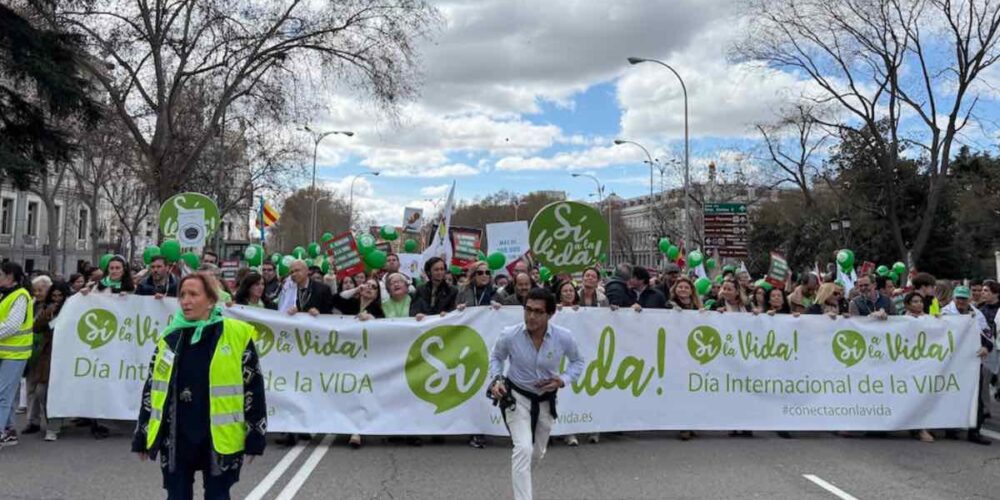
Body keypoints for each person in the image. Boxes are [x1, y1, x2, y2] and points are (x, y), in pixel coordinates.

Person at [132, 272, 266, 499]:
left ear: (211, 300)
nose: (186, 301)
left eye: (193, 294)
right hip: (177, 435)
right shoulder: (170, 338)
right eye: (182, 295)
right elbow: (153, 388)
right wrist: (143, 435)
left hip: (217, 437)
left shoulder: (235, 334)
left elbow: (253, 386)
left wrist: (255, 435)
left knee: (217, 495)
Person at [488, 288, 585, 500]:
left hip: (545, 400)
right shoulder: (510, 334)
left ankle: (519, 483)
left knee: (537, 452)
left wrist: (562, 380)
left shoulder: (563, 337)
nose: (531, 316)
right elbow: (496, 357)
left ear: (550, 314)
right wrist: (497, 379)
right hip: (516, 397)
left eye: (538, 312)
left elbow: (578, 362)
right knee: (522, 448)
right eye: (528, 310)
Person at [941, 286, 992, 445]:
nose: (961, 302)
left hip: (971, 360)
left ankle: (974, 431)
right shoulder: (944, 312)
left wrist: (986, 347)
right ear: (953, 298)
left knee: (975, 396)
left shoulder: (977, 314)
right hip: (950, 361)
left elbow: (987, 333)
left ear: (969, 299)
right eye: (959, 298)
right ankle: (950, 428)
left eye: (964, 298)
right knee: (950, 393)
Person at [25, 280, 70, 441]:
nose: (57, 299)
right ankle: (50, 421)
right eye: (54, 296)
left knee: (59, 392)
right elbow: (36, 327)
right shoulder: (47, 309)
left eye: (60, 296)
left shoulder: (72, 309)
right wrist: (47, 313)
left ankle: (53, 427)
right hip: (47, 356)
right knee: (41, 391)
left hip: (66, 356)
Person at [0, 262, 32, 448]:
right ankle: (10, 430)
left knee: (2, 394)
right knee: (8, 395)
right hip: (4, 351)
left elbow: (12, 325)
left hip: (15, 353)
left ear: (10, 276)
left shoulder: (21, 296)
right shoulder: (4, 294)